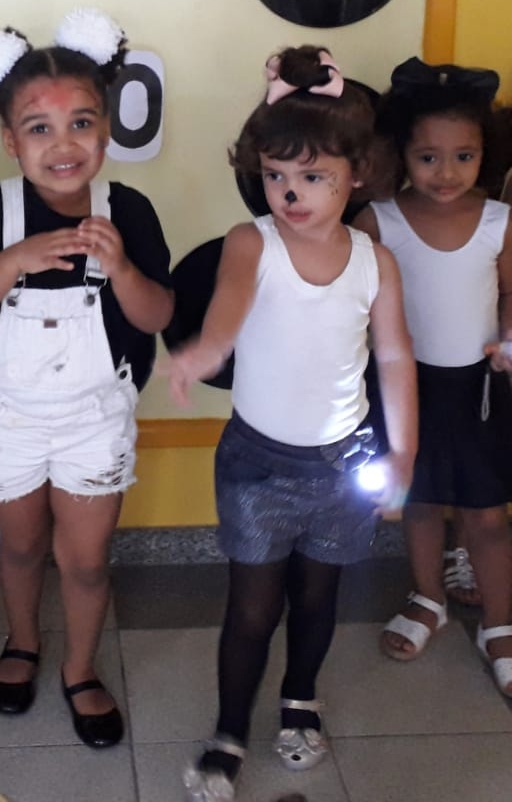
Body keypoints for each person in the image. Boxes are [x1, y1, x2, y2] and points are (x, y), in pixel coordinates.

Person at [167, 46, 417, 802]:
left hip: (345, 463)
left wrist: (403, 455)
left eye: (312, 177)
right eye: (276, 176)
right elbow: (228, 309)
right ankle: (229, 731)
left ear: (357, 172)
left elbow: (394, 357)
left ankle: (300, 698)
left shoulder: (375, 261)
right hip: (258, 465)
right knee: (252, 606)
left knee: (318, 597)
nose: (290, 193)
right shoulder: (253, 243)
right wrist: (205, 351)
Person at [0, 10, 174, 749]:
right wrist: (12, 262)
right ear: (12, 141)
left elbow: (158, 314)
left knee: (87, 560)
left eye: (81, 124)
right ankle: (23, 640)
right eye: (39, 128)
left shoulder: (128, 211)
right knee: (21, 548)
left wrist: (122, 266)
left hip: (93, 419)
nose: (62, 144)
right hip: (7, 416)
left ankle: (79, 666)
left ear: (107, 131)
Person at [359, 58, 512, 698]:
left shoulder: (499, 222)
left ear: (484, 156)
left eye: (463, 157)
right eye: (428, 158)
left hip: (479, 389)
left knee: (488, 514)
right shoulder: (380, 221)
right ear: (402, 154)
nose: (445, 173)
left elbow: (509, 292)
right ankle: (429, 598)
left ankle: (500, 624)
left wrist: (508, 339)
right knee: (418, 501)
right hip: (406, 389)